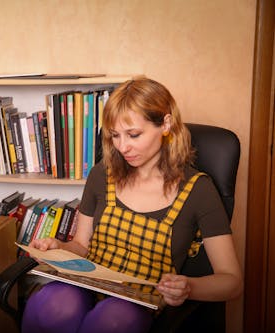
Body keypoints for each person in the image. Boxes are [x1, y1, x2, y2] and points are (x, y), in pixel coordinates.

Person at [22, 77, 243, 333]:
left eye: (134, 134)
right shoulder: (101, 175)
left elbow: (232, 281)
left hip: (137, 301)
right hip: (88, 283)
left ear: (166, 124)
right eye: (115, 135)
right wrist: (58, 247)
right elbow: (81, 245)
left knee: (114, 320)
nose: (122, 147)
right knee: (53, 306)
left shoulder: (198, 189)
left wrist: (189, 287)